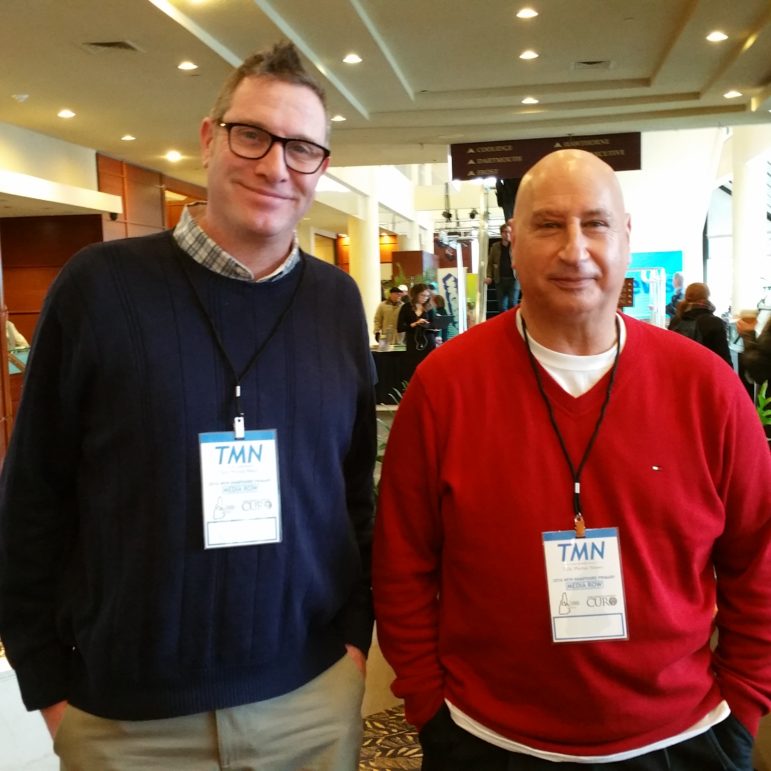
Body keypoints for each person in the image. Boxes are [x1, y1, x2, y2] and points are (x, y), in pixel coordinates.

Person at [0, 42, 376, 771]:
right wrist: (48, 689)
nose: (274, 165)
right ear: (208, 139)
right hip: (126, 720)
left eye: (302, 148)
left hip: (308, 699)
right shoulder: (99, 288)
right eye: (252, 135)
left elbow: (351, 492)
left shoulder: (335, 302)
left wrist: (354, 645)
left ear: (321, 167)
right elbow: (31, 500)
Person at [373, 149, 771, 770]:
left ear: (627, 236)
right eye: (549, 224)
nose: (575, 249)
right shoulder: (445, 385)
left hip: (682, 740)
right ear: (513, 239)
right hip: (487, 740)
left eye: (596, 223)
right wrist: (428, 705)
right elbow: (402, 562)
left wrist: (743, 706)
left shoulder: (705, 388)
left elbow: (758, 560)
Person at [668, 282, 732, 366]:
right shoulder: (714, 322)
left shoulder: (675, 321)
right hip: (705, 374)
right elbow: (724, 358)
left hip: (680, 372)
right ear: (706, 297)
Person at [397, 283, 437, 381]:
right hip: (413, 343)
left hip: (428, 342)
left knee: (428, 369)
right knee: (412, 369)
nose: (425, 298)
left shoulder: (430, 308)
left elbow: (434, 325)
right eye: (422, 295)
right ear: (415, 294)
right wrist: (414, 324)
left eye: (427, 296)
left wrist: (429, 326)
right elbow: (400, 327)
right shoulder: (406, 307)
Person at [485, 223, 519, 312]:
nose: (507, 234)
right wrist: (489, 276)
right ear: (501, 233)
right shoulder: (495, 247)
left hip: (514, 279)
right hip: (500, 280)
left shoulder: (516, 246)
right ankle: (505, 325)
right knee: (501, 306)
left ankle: (513, 324)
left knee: (513, 303)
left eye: (509, 232)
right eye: (505, 232)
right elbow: (490, 263)